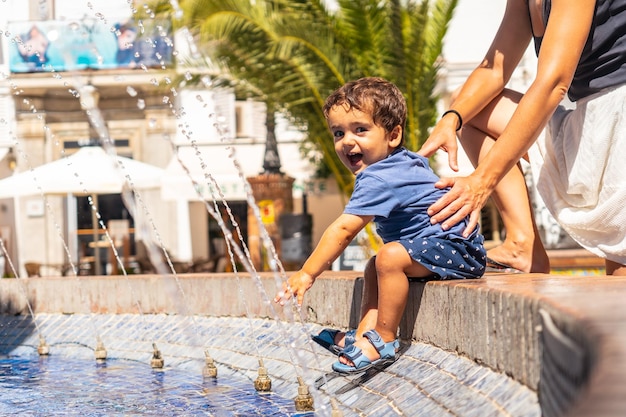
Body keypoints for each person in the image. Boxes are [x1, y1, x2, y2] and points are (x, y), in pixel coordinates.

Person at [274, 77, 486, 374]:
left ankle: (384, 340)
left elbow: (343, 230)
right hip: (453, 247)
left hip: (457, 250)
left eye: (360, 129)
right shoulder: (397, 163)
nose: (347, 141)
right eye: (338, 133)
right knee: (376, 264)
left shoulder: (379, 177)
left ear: (393, 134)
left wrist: (307, 274)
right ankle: (362, 336)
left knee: (388, 258)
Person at [418, 0, 626, 276]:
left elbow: (553, 83)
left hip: (619, 117)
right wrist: (451, 118)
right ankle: (522, 244)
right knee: (471, 111)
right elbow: (494, 70)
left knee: (618, 280)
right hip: (591, 121)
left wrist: (482, 181)